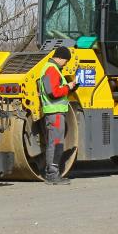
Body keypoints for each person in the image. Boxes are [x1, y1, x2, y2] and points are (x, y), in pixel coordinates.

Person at [38, 46, 77, 184]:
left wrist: (69, 87)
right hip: (55, 113)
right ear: (59, 57)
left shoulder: (50, 69)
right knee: (56, 143)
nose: (66, 63)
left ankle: (52, 173)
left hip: (54, 112)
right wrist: (69, 87)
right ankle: (52, 175)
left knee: (54, 142)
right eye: (65, 60)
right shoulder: (51, 69)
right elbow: (53, 93)